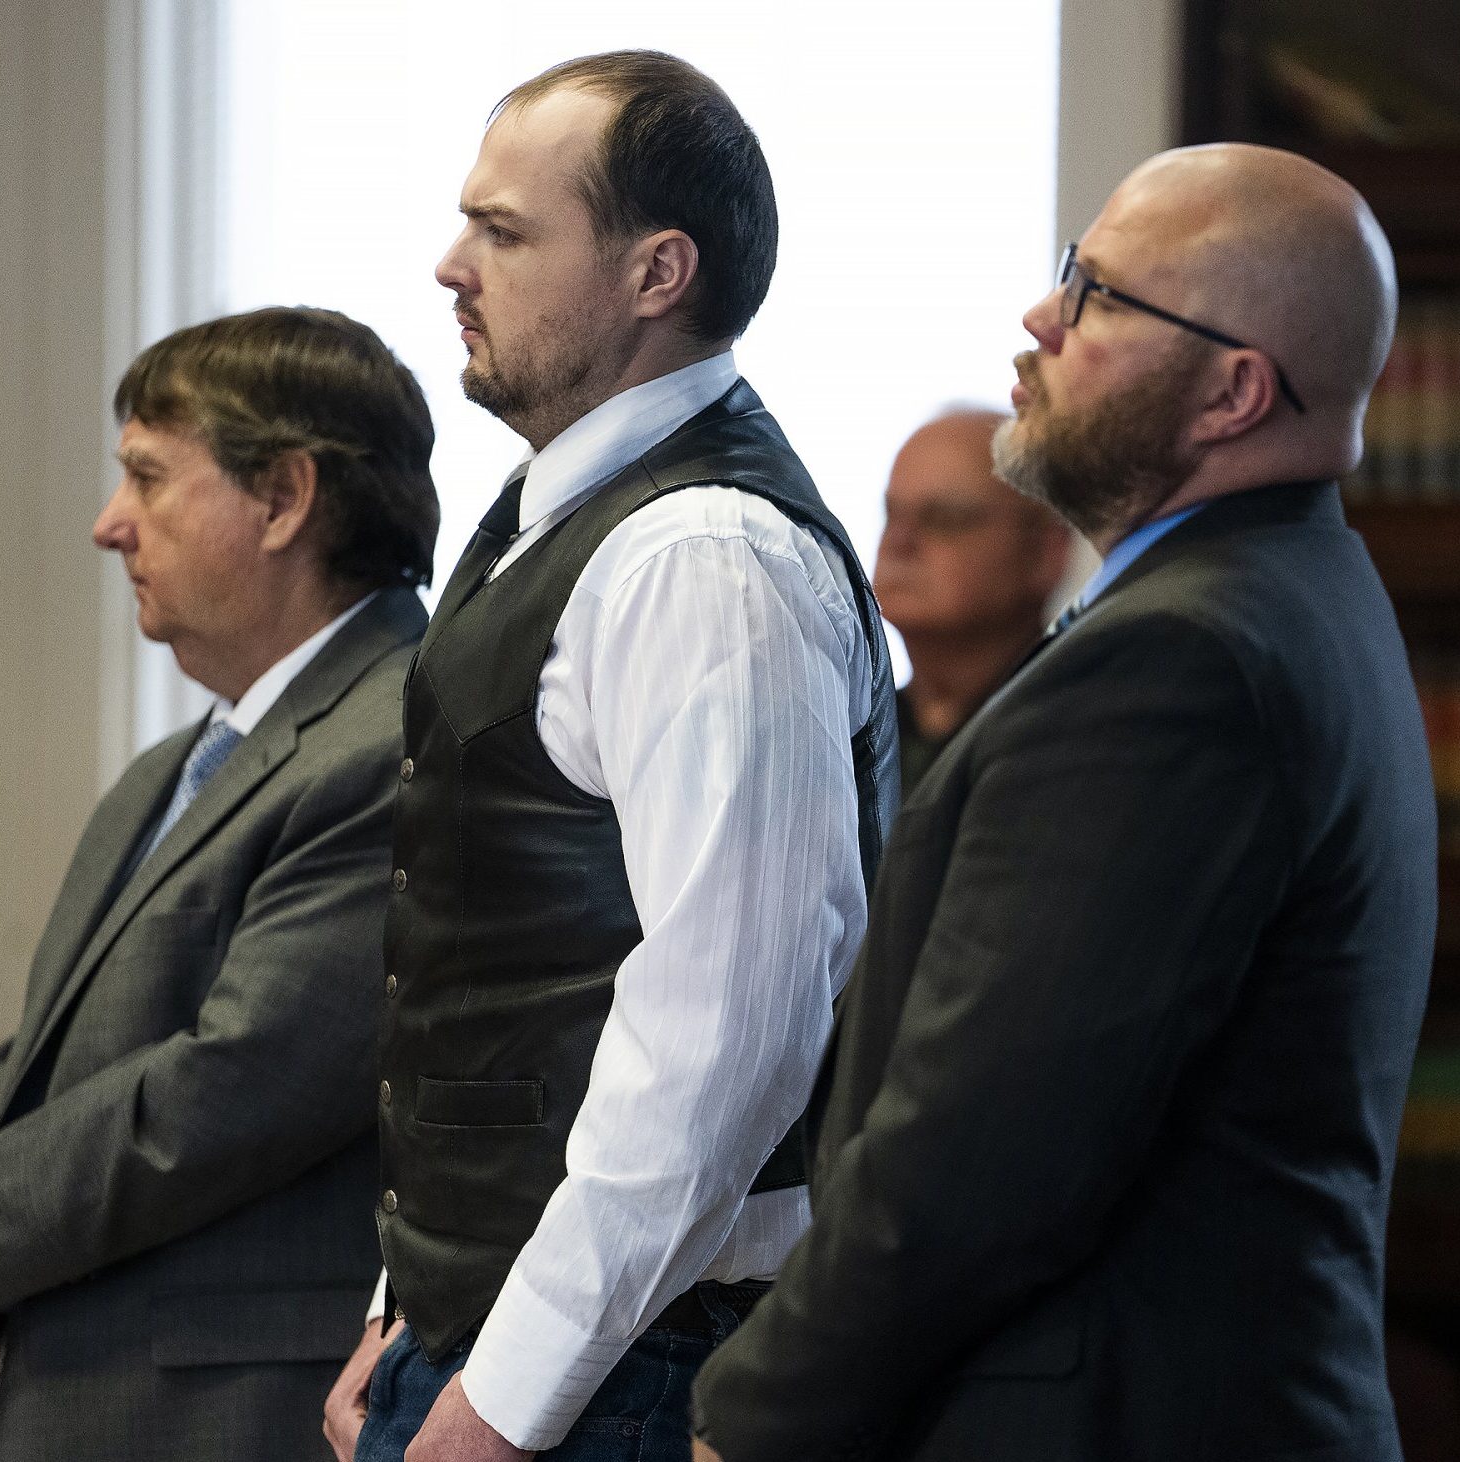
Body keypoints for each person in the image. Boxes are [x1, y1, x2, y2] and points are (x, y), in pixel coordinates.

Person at [687, 142, 1435, 1462]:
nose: (1041, 319)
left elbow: (975, 1158)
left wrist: (748, 1416)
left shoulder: (1181, 662)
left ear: (1233, 390)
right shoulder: (1300, 592)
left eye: (1095, 294)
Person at [322, 51, 896, 1462]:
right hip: (515, 1341)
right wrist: (412, 1304)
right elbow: (500, 973)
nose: (451, 265)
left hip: (630, 1372)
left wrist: (505, 1398)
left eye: (506, 231)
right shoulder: (558, 511)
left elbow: (726, 1035)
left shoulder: (705, 556)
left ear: (657, 271)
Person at [0, 306, 440, 1461]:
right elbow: (29, 1063)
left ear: (282, 497)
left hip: (221, 1417)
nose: (107, 525)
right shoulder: (166, 771)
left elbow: (232, 1084)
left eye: (145, 477)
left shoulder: (396, 738)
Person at [873, 408, 1075, 790]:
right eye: (891, 513)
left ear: (1046, 552)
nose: (898, 542)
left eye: (944, 518)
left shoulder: (1077, 737)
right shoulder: (852, 739)